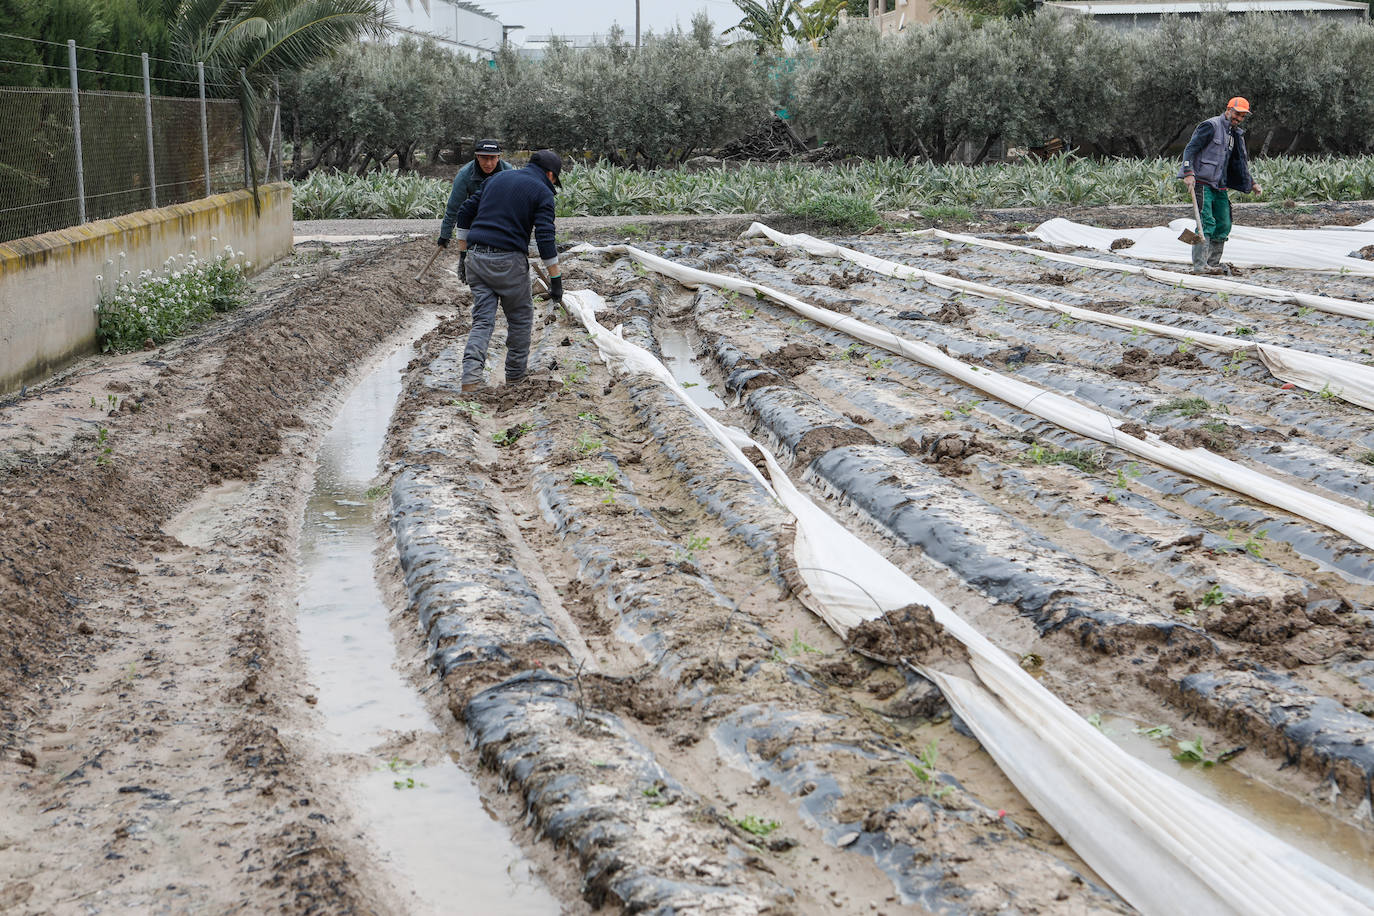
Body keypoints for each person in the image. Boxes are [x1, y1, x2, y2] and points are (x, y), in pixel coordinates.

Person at [440, 149, 564, 393]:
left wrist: (463, 253)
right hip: (508, 262)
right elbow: (545, 237)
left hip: (476, 258)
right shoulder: (542, 192)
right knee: (519, 319)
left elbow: (464, 212)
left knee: (482, 321)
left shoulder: (496, 179)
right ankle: (516, 378)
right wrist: (556, 279)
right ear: (550, 174)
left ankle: (471, 380)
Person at [1179, 97, 1263, 274]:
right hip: (1202, 182)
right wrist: (1188, 172)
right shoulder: (1210, 126)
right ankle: (1200, 265)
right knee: (1206, 222)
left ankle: (1213, 264)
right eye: (1236, 113)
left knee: (1224, 223)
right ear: (1228, 109)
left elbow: (1239, 163)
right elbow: (1190, 149)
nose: (1238, 118)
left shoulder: (1235, 134)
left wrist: (1252, 183)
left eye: (1242, 116)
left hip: (1220, 185)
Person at [437, 139, 511, 253]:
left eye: (492, 158)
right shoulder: (464, 175)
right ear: (477, 156)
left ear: (498, 157)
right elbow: (454, 208)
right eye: (484, 158)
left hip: (502, 219)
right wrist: (445, 235)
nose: (488, 163)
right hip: (475, 220)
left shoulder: (508, 172)